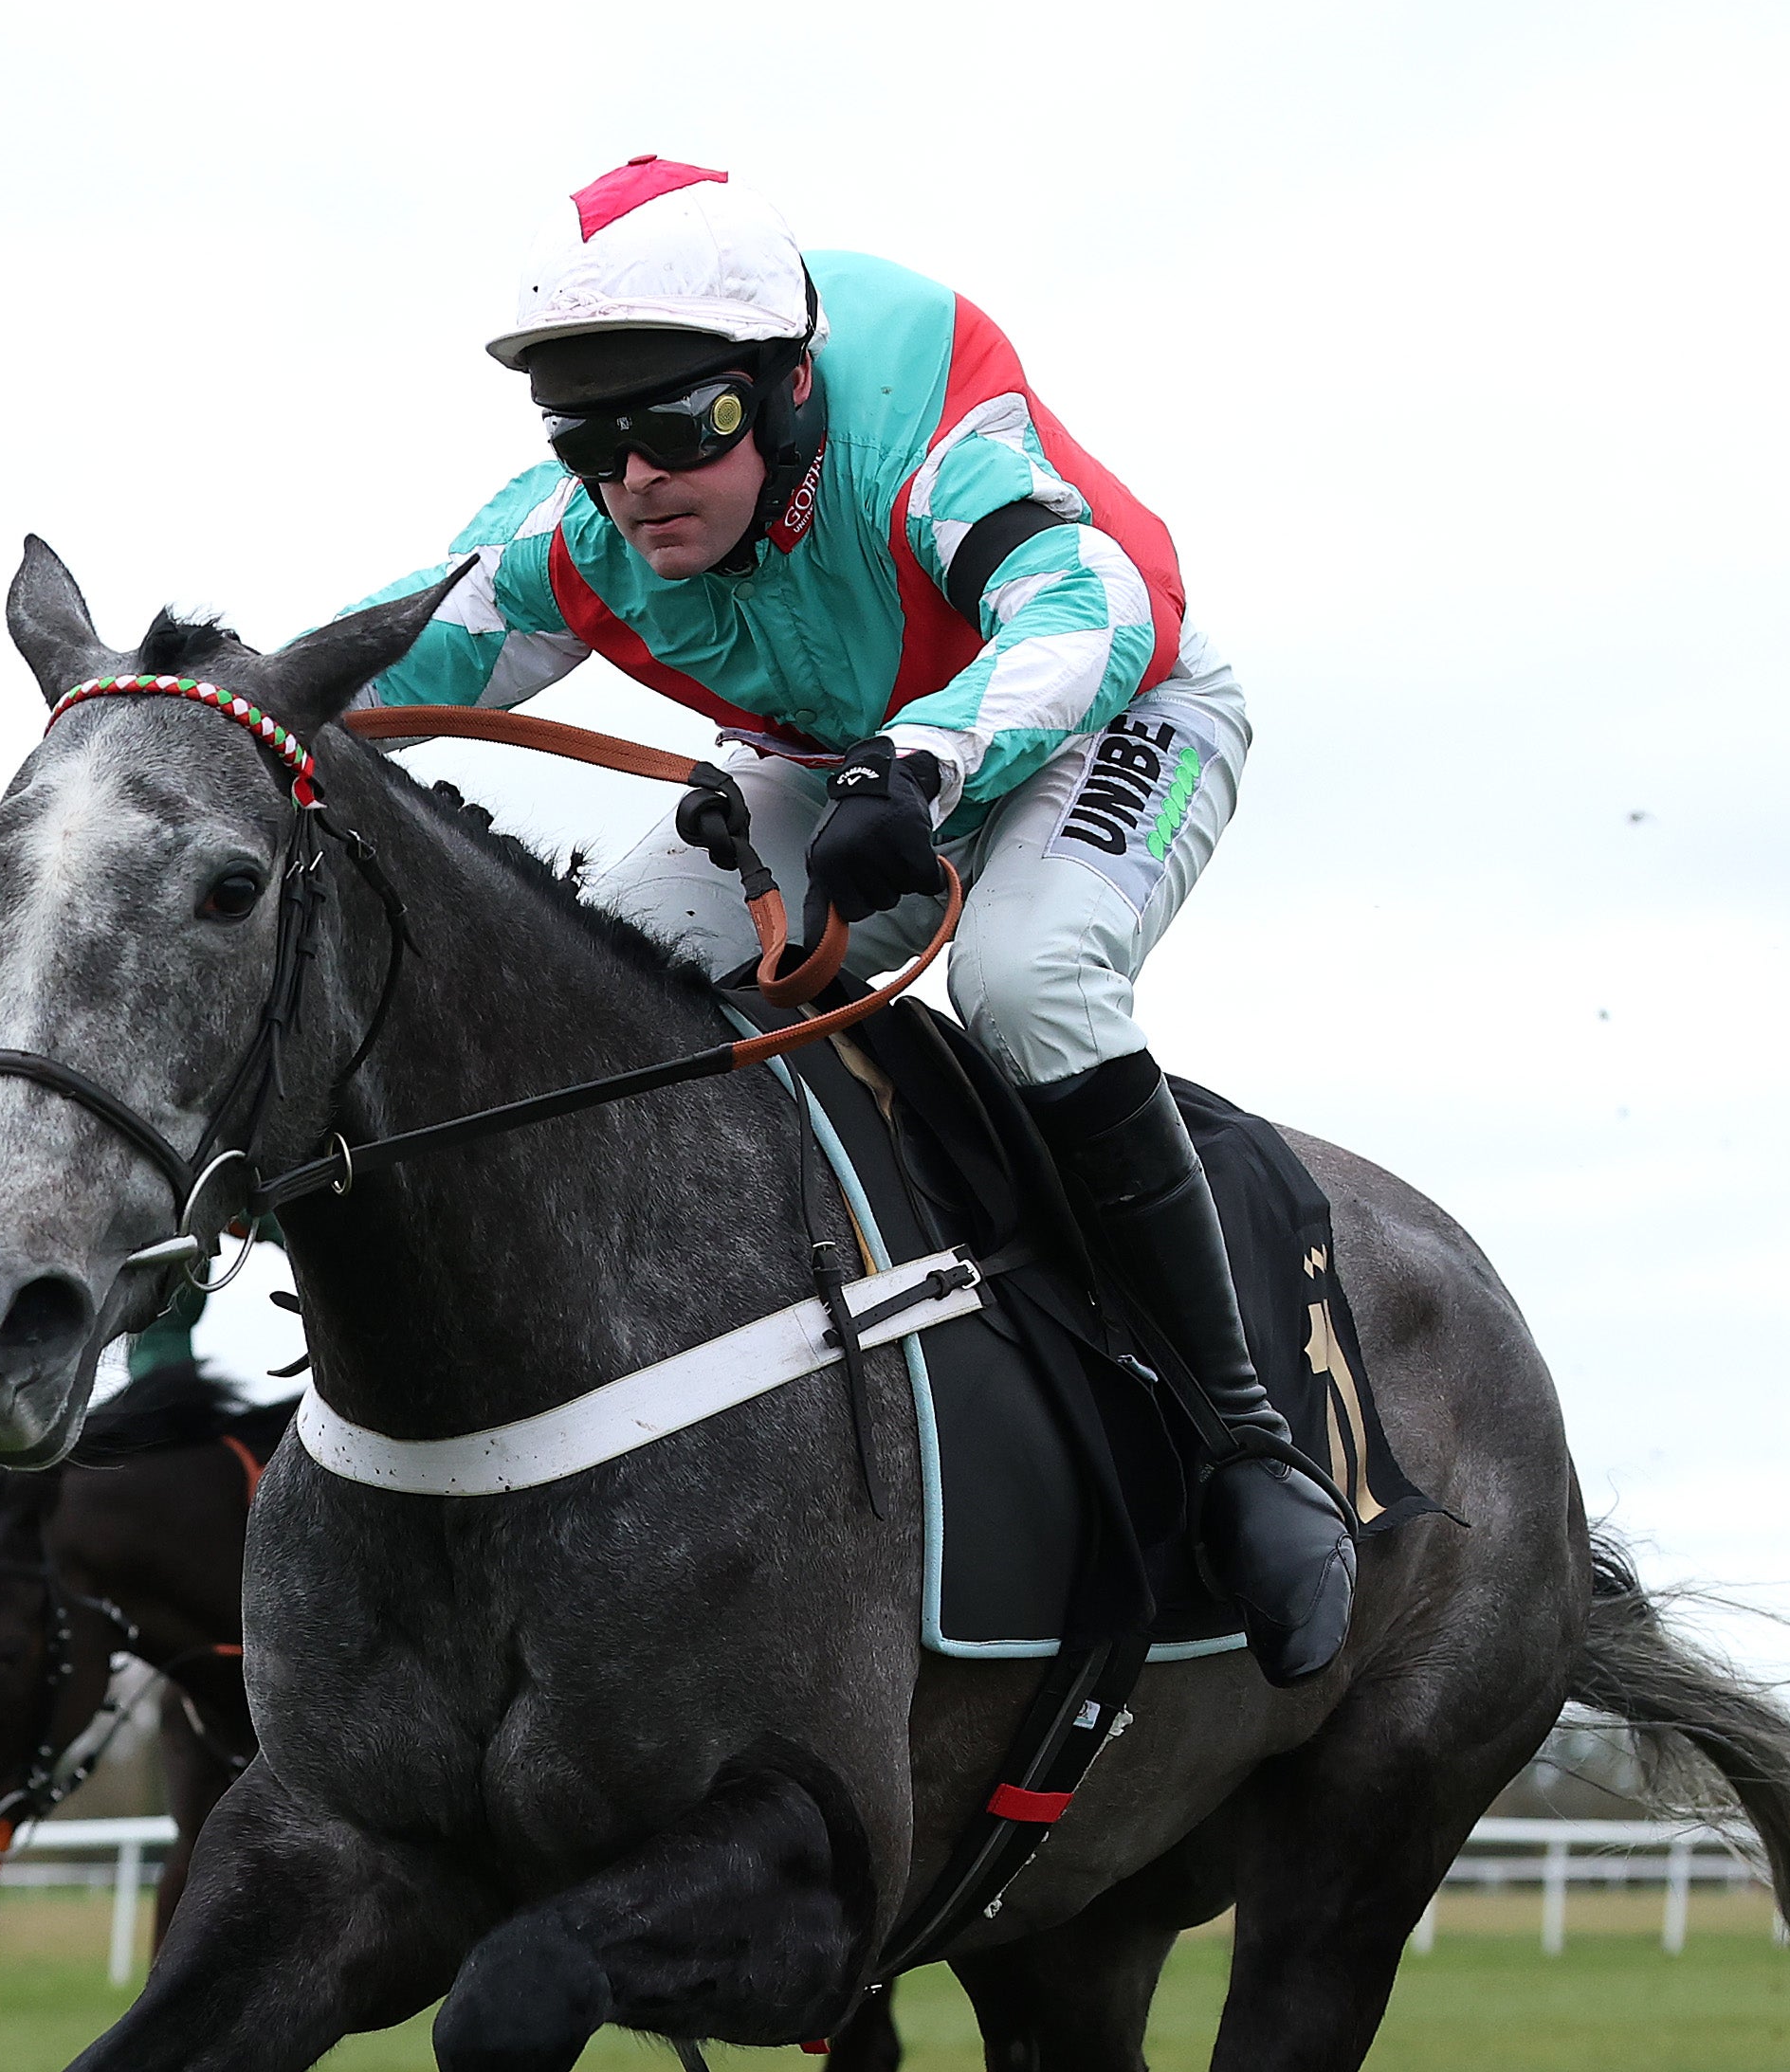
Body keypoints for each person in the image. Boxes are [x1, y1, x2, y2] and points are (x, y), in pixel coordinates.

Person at [351, 156, 1357, 1681]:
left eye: (686, 427)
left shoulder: (930, 414)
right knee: (616, 986)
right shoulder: (576, 533)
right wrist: (179, 719)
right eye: (589, 441)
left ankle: (1246, 1444)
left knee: (1026, 984)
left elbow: (1092, 606)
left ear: (790, 392)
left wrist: (932, 757)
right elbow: (370, 683)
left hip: (1108, 709)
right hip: (845, 759)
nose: (636, 479)